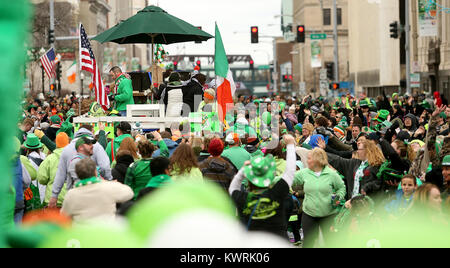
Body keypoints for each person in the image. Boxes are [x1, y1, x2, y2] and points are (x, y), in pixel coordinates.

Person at [228, 134, 296, 239]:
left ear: (250, 180)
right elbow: (290, 172)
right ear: (269, 177)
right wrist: (290, 145)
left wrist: (244, 169)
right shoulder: (277, 193)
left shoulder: (243, 198)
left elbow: (233, 188)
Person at [293, 148, 346, 248]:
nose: (307, 160)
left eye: (309, 158)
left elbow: (341, 188)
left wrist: (338, 197)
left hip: (328, 215)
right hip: (309, 214)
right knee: (308, 244)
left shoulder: (332, 174)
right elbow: (289, 178)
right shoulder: (304, 173)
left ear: (317, 160)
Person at [49, 125, 112, 209]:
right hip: (95, 194)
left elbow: (60, 174)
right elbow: (105, 167)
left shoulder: (66, 149)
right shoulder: (97, 146)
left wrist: (54, 195)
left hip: (73, 196)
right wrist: (109, 181)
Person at [61, 158, 133, 223]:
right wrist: (106, 182)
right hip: (106, 232)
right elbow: (129, 193)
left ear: (77, 174)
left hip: (83, 233)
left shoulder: (71, 194)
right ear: (95, 172)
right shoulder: (108, 187)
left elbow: (64, 215)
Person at [124, 132, 167, 200]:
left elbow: (128, 187)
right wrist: (159, 138)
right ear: (153, 151)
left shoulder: (133, 166)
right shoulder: (158, 163)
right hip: (155, 199)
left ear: (139, 152)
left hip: (138, 201)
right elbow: (165, 152)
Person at [37, 132, 70, 208]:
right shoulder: (75, 158)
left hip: (52, 200)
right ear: (68, 143)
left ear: (56, 143)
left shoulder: (49, 159)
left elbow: (42, 179)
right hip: (70, 198)